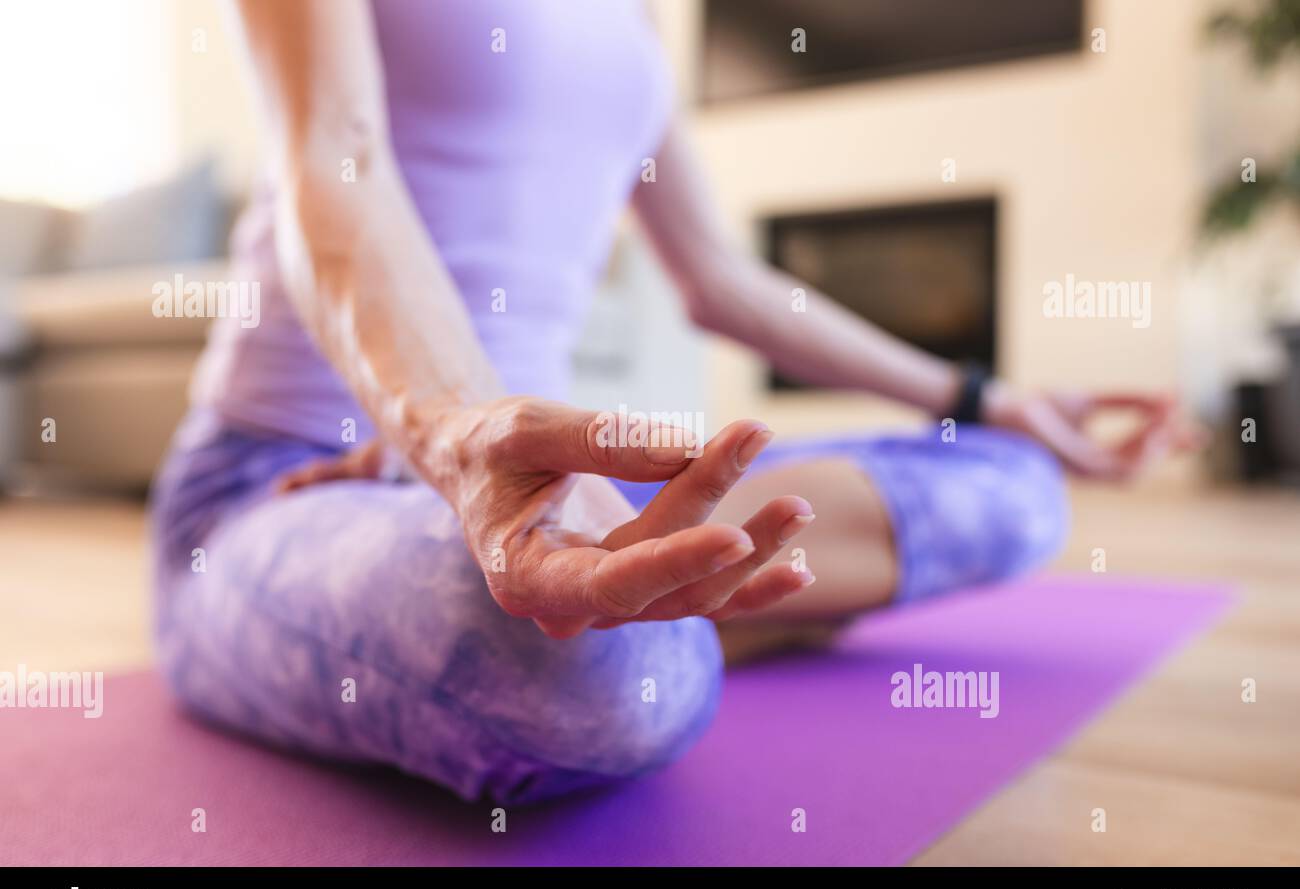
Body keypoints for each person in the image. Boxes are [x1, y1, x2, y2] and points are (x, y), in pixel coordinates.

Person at [150, 0, 1190, 804]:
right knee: (595, 684)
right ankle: (695, 610)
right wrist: (445, 433)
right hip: (280, 487)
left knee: (1015, 489)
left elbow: (722, 280)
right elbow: (335, 166)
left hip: (534, 491)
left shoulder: (630, 13)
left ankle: (649, 591)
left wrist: (986, 396)